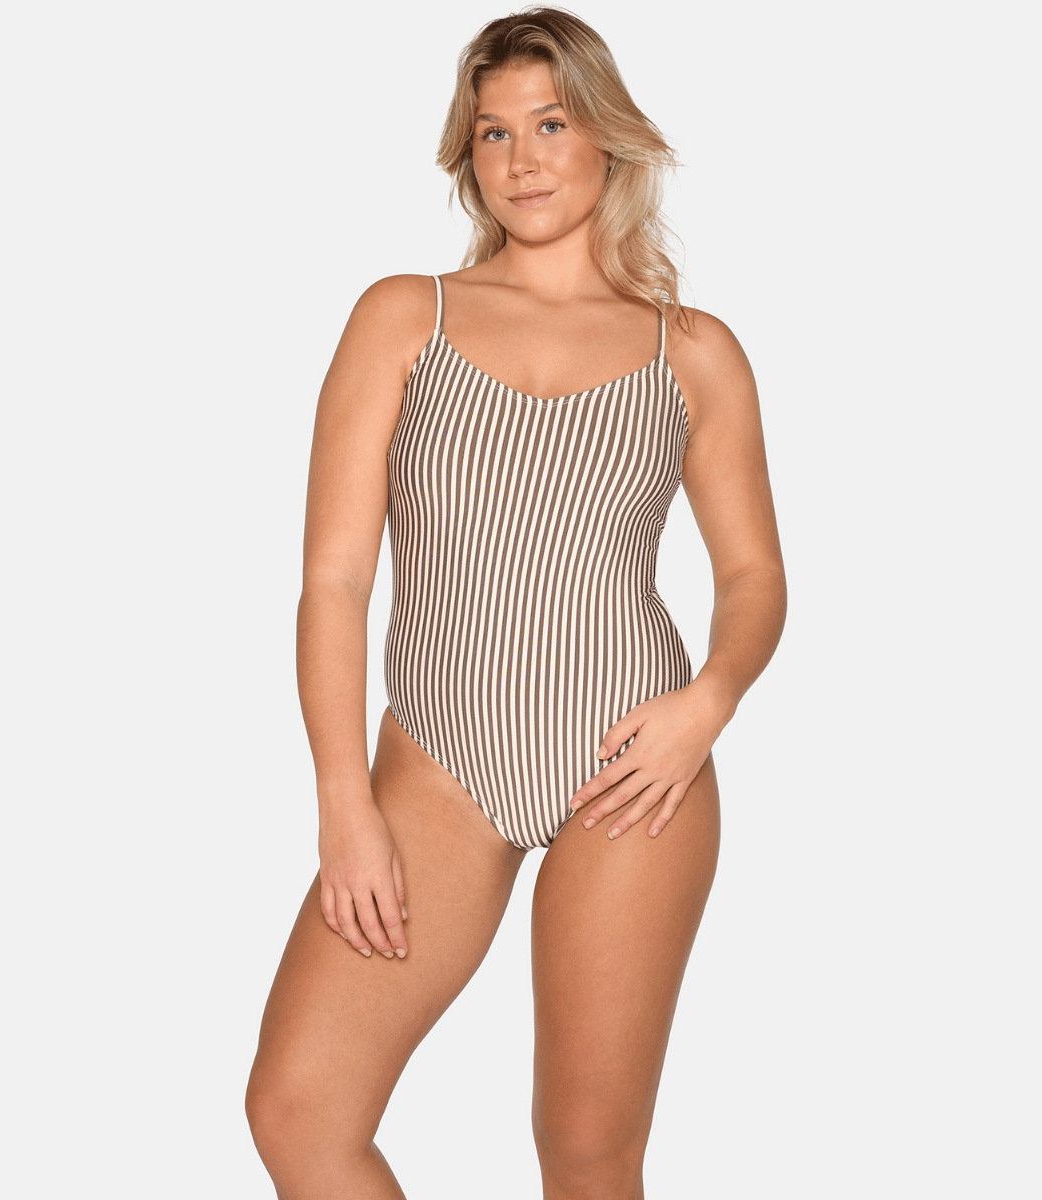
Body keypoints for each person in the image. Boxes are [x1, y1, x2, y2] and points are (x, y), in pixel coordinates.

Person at [245, 7, 787, 1196]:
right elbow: (335, 579)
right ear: (468, 156)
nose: (523, 158)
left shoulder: (692, 352)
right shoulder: (406, 317)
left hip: (633, 766)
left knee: (587, 1154)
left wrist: (710, 702)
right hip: (436, 766)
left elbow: (754, 574)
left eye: (550, 123)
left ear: (606, 136)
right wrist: (342, 800)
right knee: (298, 1111)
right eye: (494, 132)